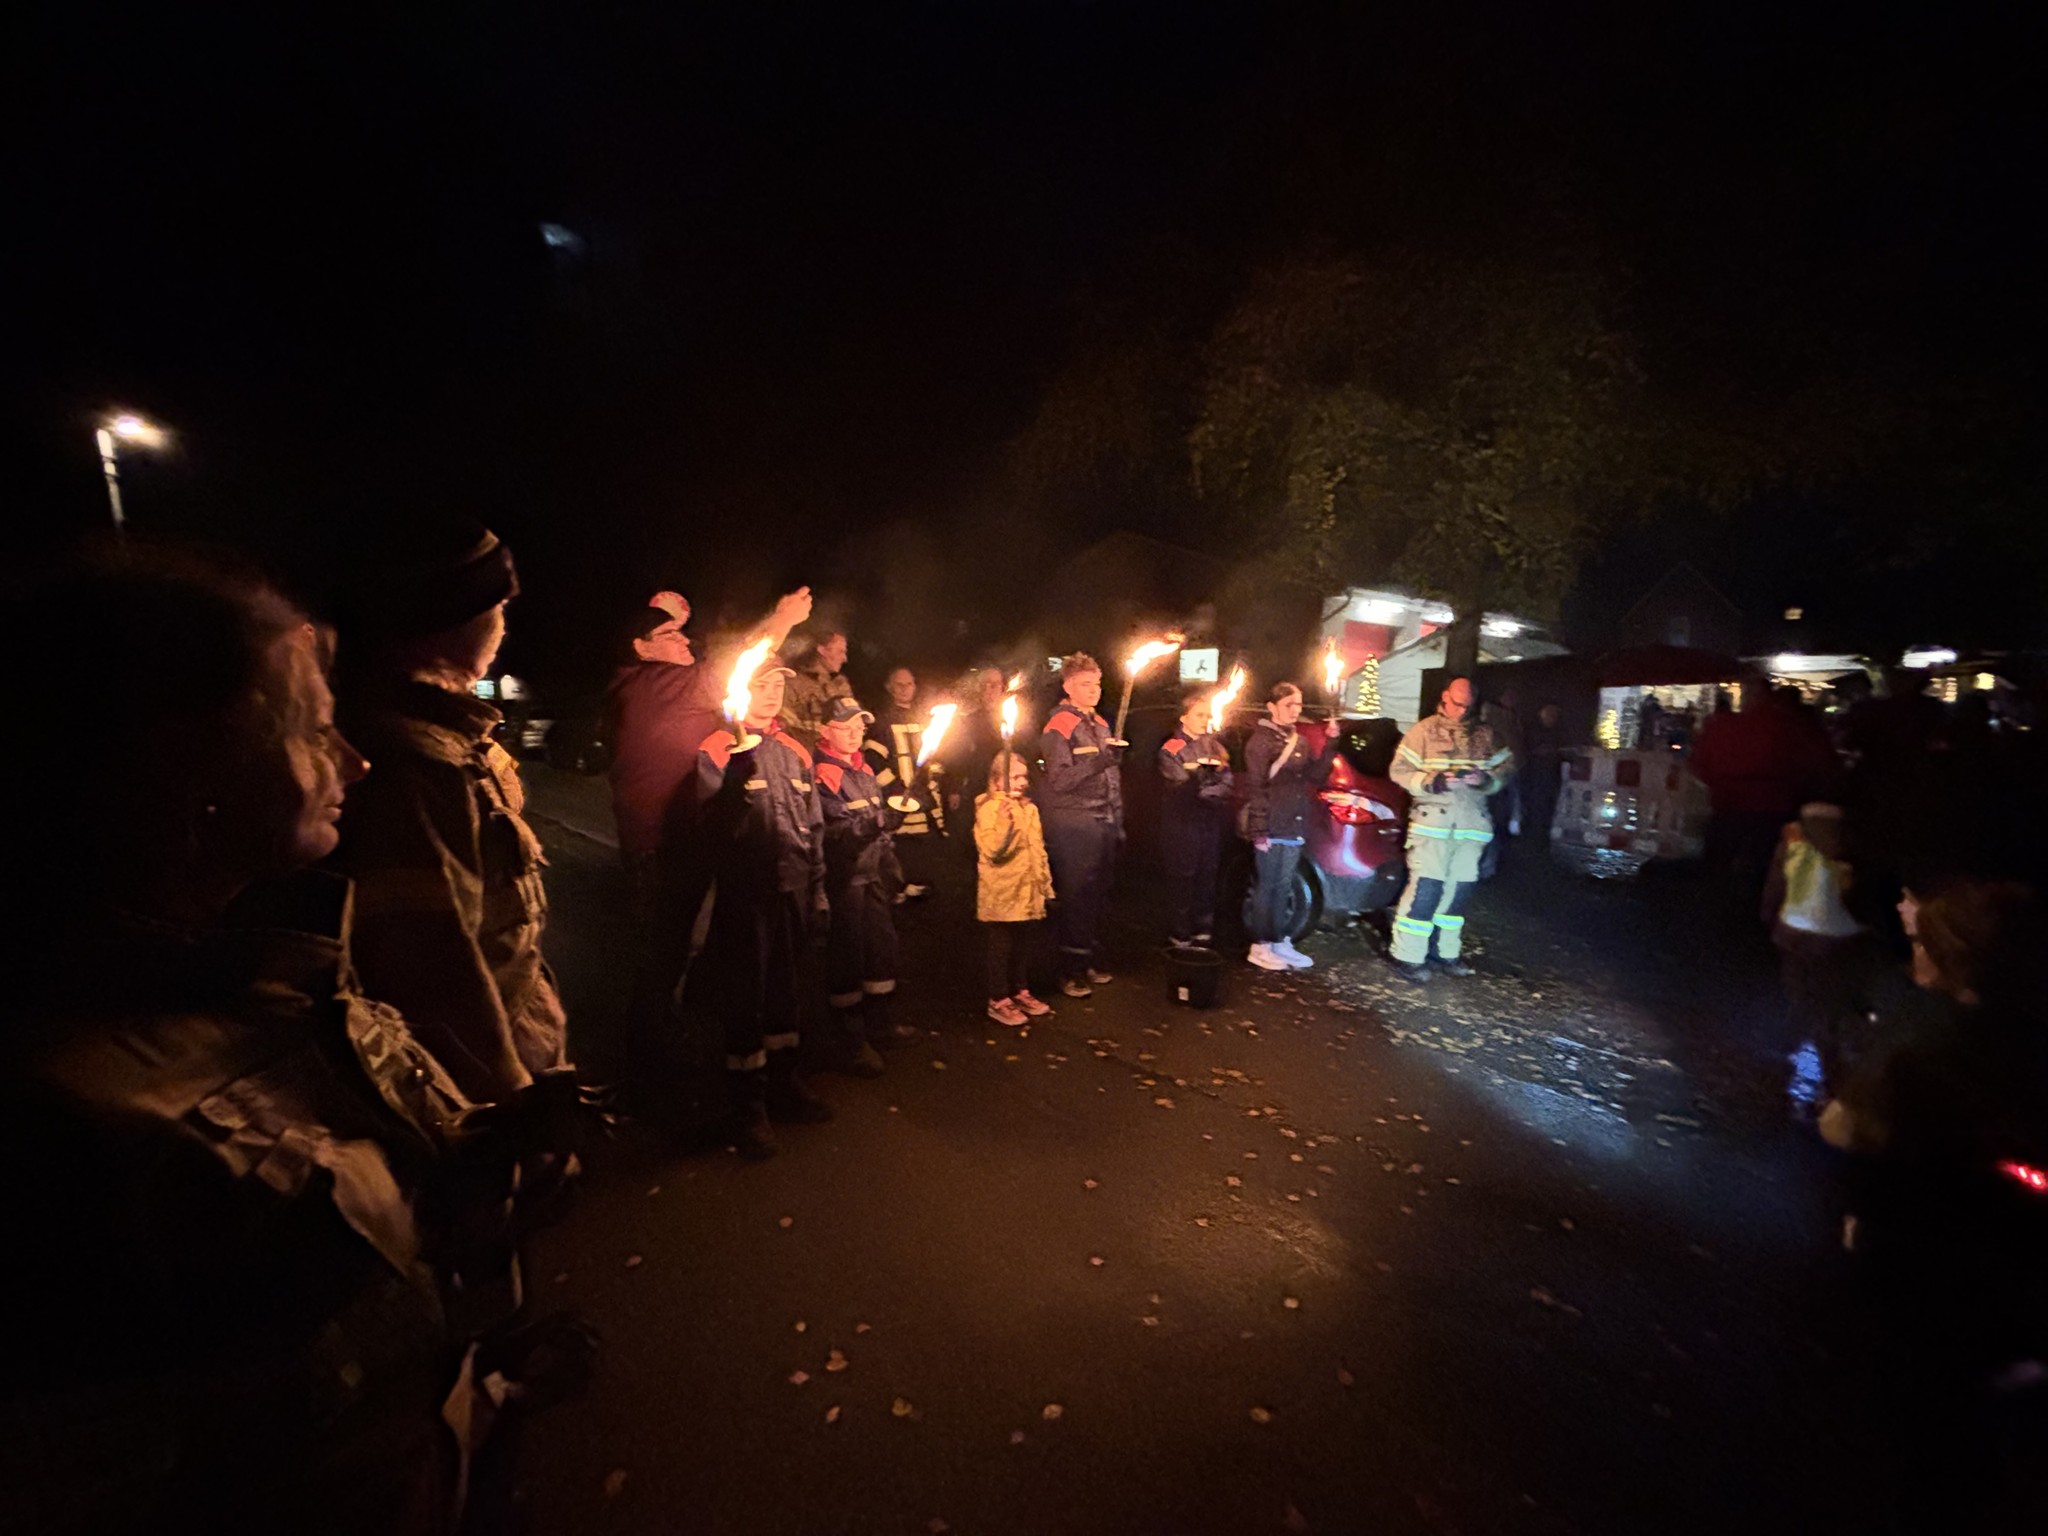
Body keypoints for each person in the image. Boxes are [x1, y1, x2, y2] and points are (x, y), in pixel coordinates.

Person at [0, 546, 554, 1533]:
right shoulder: (70, 1143)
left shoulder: (276, 970)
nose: (356, 761)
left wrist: (473, 1354)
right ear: (188, 772)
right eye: (308, 728)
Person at [1820, 881, 2048, 1531]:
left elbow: (1857, 1138)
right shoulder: (2020, 1045)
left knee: (1932, 1436)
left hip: (1934, 1281)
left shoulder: (1928, 1048)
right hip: (2016, 1282)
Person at [327, 525, 571, 1107]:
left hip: (521, 1044)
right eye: (497, 607)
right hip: (478, 1091)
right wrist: (516, 1110)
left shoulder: (454, 742)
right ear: (452, 620)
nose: (505, 622)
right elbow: (437, 971)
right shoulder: (415, 766)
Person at [605, 585, 812, 1100]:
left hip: (681, 842)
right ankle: (657, 1073)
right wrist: (782, 619)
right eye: (668, 634)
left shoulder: (648, 684)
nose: (684, 641)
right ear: (641, 647)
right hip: (661, 847)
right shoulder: (658, 685)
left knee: (679, 953)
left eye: (682, 632)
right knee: (668, 956)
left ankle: (674, 1058)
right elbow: (737, 664)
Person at [692, 656, 833, 1158]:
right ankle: (748, 1107)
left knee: (786, 994)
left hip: (792, 891)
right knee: (746, 998)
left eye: (778, 684)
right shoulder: (716, 747)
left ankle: (785, 1086)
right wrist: (736, 779)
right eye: (763, 684)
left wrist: (817, 890)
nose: (773, 693)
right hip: (744, 896)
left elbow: (813, 828)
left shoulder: (794, 750)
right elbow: (712, 829)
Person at [1387, 676, 1511, 983]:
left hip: (1471, 829)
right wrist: (1434, 781)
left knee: (1457, 897)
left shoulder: (1485, 735)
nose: (1462, 712)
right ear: (1445, 697)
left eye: (1468, 706)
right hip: (1432, 826)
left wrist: (1484, 780)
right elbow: (1398, 770)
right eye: (1457, 704)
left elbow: (1507, 769)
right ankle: (1407, 956)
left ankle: (1445, 953)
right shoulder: (1423, 731)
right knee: (1425, 892)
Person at [814, 696, 914, 1072]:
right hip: (846, 880)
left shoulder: (864, 769)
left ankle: (880, 1026)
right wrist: (877, 823)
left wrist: (890, 836)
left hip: (872, 876)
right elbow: (836, 833)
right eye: (846, 726)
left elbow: (878, 825)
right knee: (848, 958)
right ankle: (850, 1041)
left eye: (860, 726)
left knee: (881, 950)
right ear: (825, 731)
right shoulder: (822, 774)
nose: (856, 733)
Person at [1762, 802, 1877, 1108]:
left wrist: (1768, 915)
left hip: (1795, 934)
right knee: (1828, 1000)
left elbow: (1776, 884)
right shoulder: (1851, 846)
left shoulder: (1794, 843)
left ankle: (1792, 1050)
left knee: (1799, 993)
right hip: (1838, 939)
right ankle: (1830, 1072)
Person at [1037, 652, 1124, 998]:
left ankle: (1087, 958)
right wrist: (1099, 762)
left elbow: (1112, 778)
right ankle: (1069, 970)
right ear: (1068, 686)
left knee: (1097, 895)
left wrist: (1117, 818)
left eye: (1097, 683)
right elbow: (1059, 780)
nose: (1094, 690)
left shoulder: (1101, 724)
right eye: (1085, 684)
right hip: (1075, 821)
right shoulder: (1058, 725)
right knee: (1076, 896)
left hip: (1103, 819)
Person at [1242, 682, 1331, 971]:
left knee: (1283, 886)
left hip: (1294, 823)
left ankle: (1279, 940)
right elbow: (1256, 788)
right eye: (1288, 705)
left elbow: (1315, 776)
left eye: (1298, 704)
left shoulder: (1299, 740)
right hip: (1271, 825)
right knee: (1267, 886)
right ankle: (1260, 946)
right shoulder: (1260, 742)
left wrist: (1331, 743)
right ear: (1272, 707)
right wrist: (1259, 829)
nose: (1295, 710)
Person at [976, 752, 1056, 1026]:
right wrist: (1004, 823)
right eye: (1014, 777)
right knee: (1002, 946)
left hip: (1026, 890)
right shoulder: (989, 809)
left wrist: (1044, 885)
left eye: (1024, 777)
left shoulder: (1029, 809)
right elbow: (992, 850)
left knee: (1022, 944)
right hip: (1002, 892)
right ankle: (998, 998)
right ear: (997, 781)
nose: (1022, 782)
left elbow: (1037, 851)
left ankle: (1020, 990)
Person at [1159, 688, 1235, 948]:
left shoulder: (1215, 746)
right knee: (1183, 879)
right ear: (1184, 717)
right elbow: (1179, 783)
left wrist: (1208, 792)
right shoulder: (1172, 748)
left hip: (1209, 823)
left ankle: (1203, 931)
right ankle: (1179, 934)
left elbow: (1227, 783)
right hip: (1182, 824)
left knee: (1207, 877)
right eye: (1199, 715)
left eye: (1207, 715)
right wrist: (1203, 786)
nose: (1205, 720)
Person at [868, 665, 943, 897]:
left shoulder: (924, 721)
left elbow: (936, 761)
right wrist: (897, 792)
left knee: (927, 864)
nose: (904, 689)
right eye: (898, 684)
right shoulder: (881, 723)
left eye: (908, 684)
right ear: (889, 687)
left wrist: (932, 786)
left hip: (926, 806)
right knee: (902, 860)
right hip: (898, 807)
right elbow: (873, 762)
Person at [781, 628, 853, 742]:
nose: (845, 659)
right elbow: (784, 728)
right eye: (840, 651)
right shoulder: (794, 684)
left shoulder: (840, 683)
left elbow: (853, 723)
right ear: (822, 650)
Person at [1521, 700, 1569, 842]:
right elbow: (1524, 750)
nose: (1551, 717)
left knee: (1548, 808)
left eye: (1554, 714)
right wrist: (1538, 752)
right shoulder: (1530, 730)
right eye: (1549, 713)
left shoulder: (1559, 732)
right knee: (1533, 807)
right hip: (1533, 776)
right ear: (1540, 713)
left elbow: (1564, 751)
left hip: (1552, 777)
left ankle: (1543, 837)